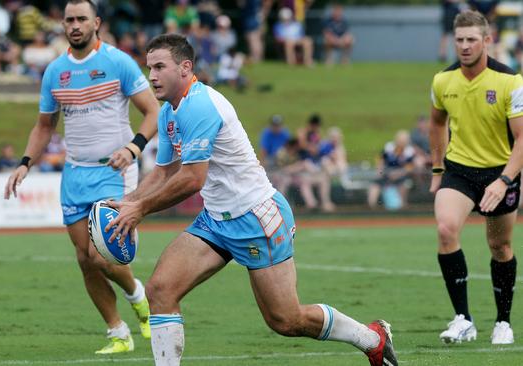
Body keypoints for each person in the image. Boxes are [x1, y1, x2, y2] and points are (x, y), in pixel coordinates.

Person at [106, 33, 397, 366]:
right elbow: (163, 172)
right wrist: (128, 202)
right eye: (149, 68)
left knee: (285, 321)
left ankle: (373, 339)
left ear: (185, 68)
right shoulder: (169, 112)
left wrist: (140, 209)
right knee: (160, 290)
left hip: (257, 217)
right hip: (216, 221)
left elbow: (191, 178)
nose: (151, 76)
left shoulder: (201, 104)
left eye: (159, 67)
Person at [3, 0, 159, 354]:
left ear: (96, 23)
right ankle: (118, 333)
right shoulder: (54, 72)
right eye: (69, 19)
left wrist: (133, 149)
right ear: (63, 24)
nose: (74, 25)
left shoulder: (118, 62)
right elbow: (45, 126)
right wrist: (25, 162)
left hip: (114, 171)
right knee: (84, 259)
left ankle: (138, 295)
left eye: (81, 19)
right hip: (75, 173)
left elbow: (152, 111)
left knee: (101, 254)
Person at [429, 10, 523, 345]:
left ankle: (503, 322)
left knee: (500, 246)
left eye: (472, 39)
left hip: (500, 172)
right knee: (445, 229)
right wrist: (438, 169)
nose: (465, 46)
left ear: (487, 40)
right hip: (459, 170)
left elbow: (522, 138)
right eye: (459, 40)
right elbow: (437, 123)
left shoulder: (511, 81)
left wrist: (505, 181)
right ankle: (463, 319)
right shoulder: (442, 80)